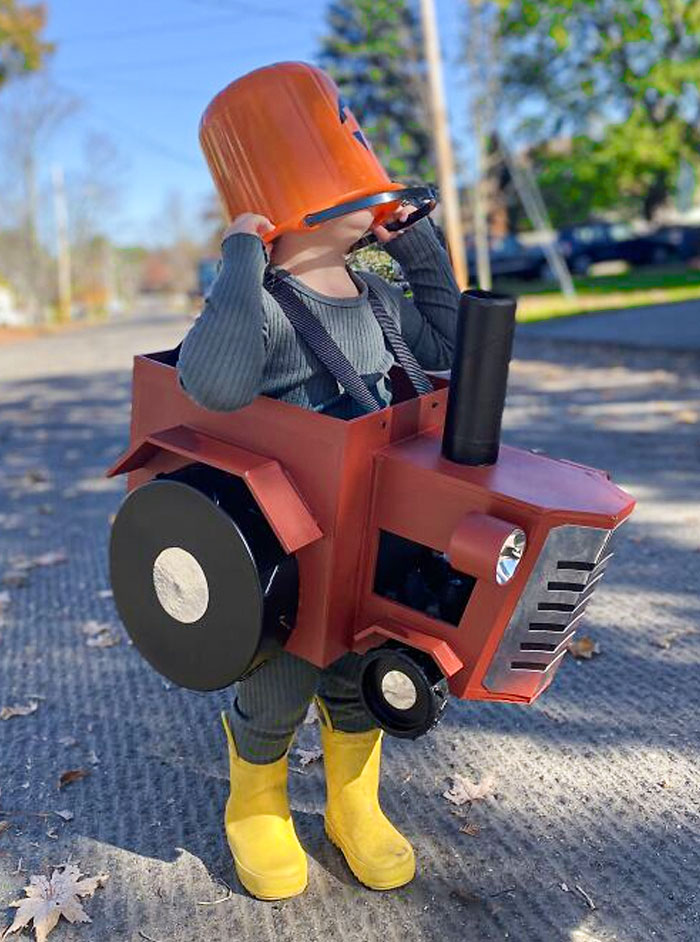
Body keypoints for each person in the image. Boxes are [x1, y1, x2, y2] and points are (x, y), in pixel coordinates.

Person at [178, 65, 460, 902]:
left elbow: (450, 347)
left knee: (359, 667)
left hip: (373, 525)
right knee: (281, 677)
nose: (372, 204)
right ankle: (256, 803)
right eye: (356, 191)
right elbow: (213, 382)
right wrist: (242, 258)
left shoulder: (375, 296)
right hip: (289, 543)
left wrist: (415, 246)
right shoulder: (262, 306)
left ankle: (352, 803)